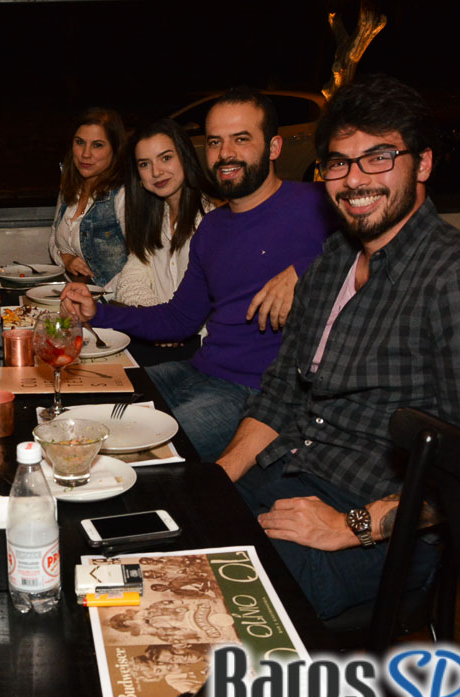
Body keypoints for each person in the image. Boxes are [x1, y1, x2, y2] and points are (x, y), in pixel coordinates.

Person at [216, 74, 460, 620]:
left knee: (222, 603)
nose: (354, 179)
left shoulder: (457, 278)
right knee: (170, 530)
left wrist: (352, 526)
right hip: (290, 474)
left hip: (379, 525)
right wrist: (213, 483)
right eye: (339, 163)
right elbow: (279, 397)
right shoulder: (331, 262)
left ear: (424, 164)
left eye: (378, 157)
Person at [63, 88, 336, 460]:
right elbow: (179, 319)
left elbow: (391, 237)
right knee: (78, 413)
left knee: (139, 454)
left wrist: (305, 270)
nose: (225, 154)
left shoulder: (318, 203)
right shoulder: (212, 227)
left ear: (273, 147)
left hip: (254, 394)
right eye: (215, 142)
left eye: (241, 139)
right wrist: (101, 312)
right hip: (196, 370)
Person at [112, 118, 218, 365]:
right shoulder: (154, 218)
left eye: (166, 158)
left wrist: (166, 324)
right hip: (162, 345)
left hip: (200, 351)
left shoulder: (211, 219)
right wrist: (160, 322)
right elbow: (130, 279)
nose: (156, 172)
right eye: (145, 164)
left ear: (185, 157)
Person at [47, 107, 128, 287]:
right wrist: (65, 259)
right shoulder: (69, 189)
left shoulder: (123, 194)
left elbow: (141, 262)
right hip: (74, 295)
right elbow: (54, 238)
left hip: (114, 302)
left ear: (115, 150)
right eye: (80, 142)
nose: (85, 154)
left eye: (97, 145)